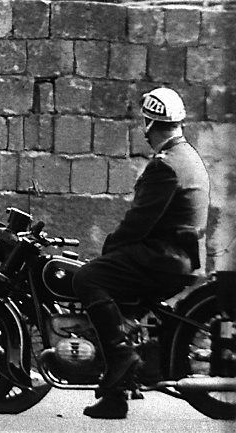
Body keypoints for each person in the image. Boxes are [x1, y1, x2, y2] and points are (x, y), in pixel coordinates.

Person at [73, 87, 209, 419]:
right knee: (110, 286)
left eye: (145, 124)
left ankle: (121, 357)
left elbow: (138, 222)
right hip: (179, 258)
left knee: (87, 277)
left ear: (149, 123)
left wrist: (108, 250)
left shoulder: (165, 165)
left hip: (165, 258)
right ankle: (115, 396)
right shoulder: (188, 156)